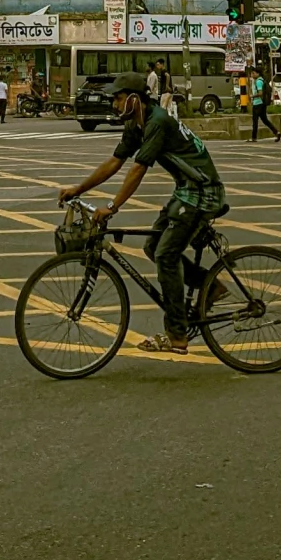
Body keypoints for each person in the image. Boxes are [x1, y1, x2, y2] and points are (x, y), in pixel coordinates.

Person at [58, 74, 227, 356]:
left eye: (118, 98)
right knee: (152, 246)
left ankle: (177, 333)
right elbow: (115, 161)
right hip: (186, 191)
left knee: (165, 255)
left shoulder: (157, 122)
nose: (114, 103)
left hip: (203, 192)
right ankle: (211, 286)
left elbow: (138, 169)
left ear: (134, 99)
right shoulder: (136, 124)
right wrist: (79, 188)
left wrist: (112, 207)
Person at [249, 67, 279, 142]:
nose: (252, 75)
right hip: (262, 103)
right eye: (251, 73)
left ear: (258, 74)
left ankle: (254, 137)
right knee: (265, 120)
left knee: (255, 121)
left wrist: (252, 96)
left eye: (253, 73)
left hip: (258, 103)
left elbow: (260, 93)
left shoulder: (258, 81)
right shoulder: (260, 80)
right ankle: (276, 132)